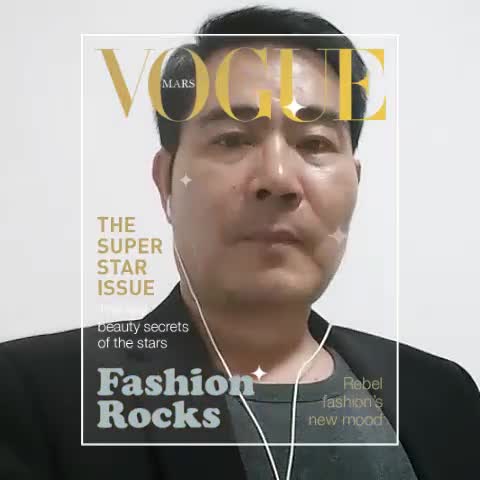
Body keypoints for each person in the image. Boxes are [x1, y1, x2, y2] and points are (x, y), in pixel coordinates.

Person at [1, 6, 478, 480]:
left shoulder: (442, 394)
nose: (278, 178)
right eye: (232, 139)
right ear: (166, 182)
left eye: (314, 143)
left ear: (354, 182)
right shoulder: (36, 397)